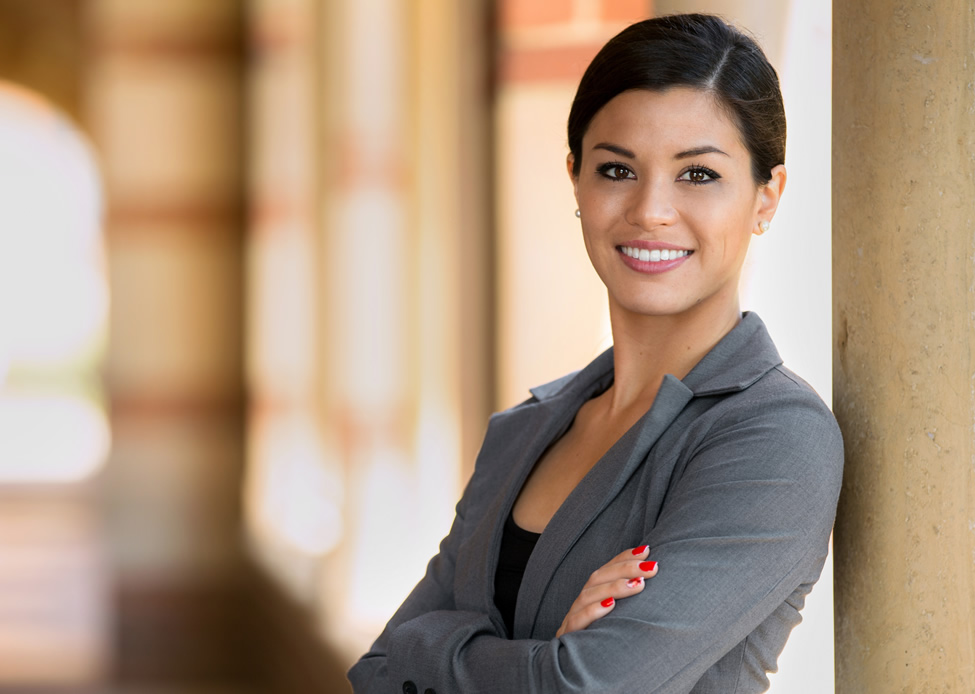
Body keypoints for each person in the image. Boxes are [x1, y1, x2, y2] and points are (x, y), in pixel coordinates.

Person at [348, 13, 843, 694]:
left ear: (766, 196)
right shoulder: (522, 430)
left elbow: (589, 684)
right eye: (617, 169)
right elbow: (374, 673)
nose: (650, 211)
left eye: (697, 175)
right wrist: (543, 660)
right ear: (576, 180)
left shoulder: (774, 437)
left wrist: (438, 648)